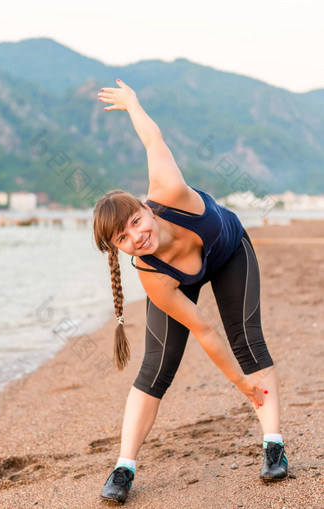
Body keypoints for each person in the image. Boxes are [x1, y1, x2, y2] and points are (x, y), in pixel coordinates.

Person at [93, 79, 288, 505]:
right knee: (156, 367)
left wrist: (133, 104)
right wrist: (236, 382)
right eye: (123, 238)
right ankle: (124, 467)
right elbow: (203, 330)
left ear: (146, 207)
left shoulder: (170, 190)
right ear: (118, 249)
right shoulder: (152, 275)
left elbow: (151, 137)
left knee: (250, 343)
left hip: (229, 251)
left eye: (135, 222)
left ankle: (273, 445)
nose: (136, 236)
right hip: (178, 279)